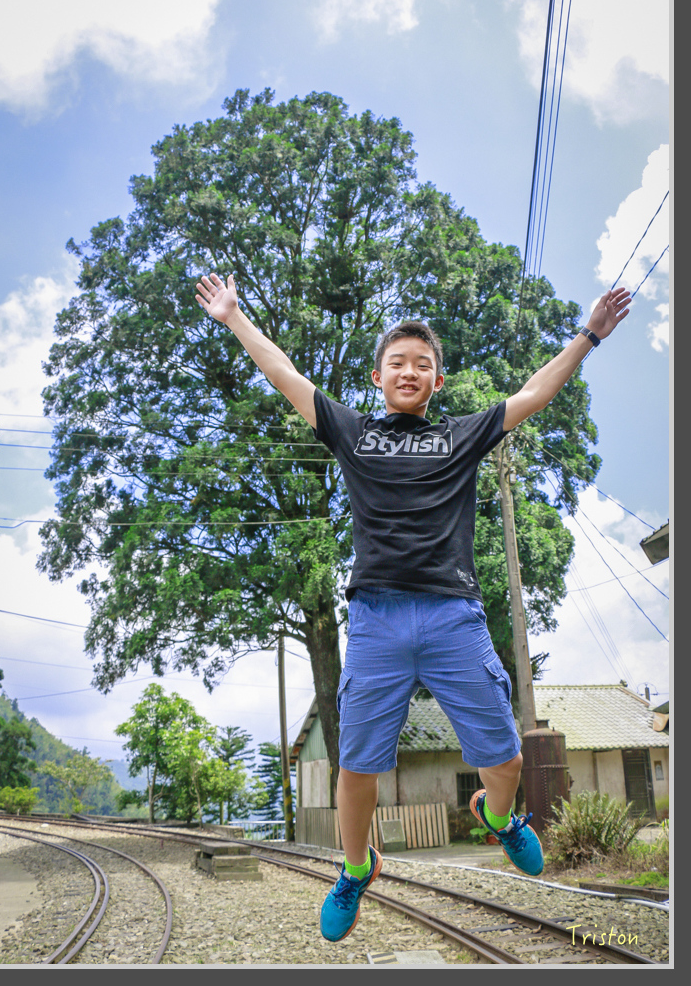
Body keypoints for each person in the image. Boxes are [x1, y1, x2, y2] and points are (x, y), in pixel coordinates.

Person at [195, 271, 632, 942]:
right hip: (375, 619)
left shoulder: (460, 435)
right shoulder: (352, 433)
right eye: (396, 362)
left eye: (421, 365)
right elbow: (283, 374)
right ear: (377, 378)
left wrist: (588, 335)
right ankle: (353, 868)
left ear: (435, 382)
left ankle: (496, 816)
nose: (408, 370)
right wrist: (233, 317)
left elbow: (534, 392)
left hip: (451, 614)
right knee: (356, 770)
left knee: (506, 758)